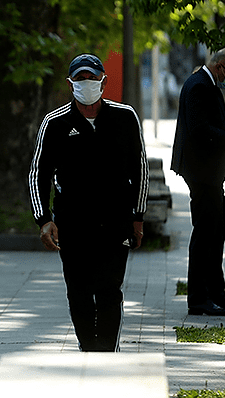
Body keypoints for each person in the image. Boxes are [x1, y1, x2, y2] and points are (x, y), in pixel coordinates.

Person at [28, 53, 149, 352]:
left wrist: (138, 216)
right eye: (80, 79)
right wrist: (44, 219)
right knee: (79, 292)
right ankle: (88, 348)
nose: (86, 84)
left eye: (92, 78)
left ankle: (106, 353)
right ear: (70, 84)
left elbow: (140, 168)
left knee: (110, 291)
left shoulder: (124, 117)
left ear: (103, 81)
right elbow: (38, 174)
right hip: (73, 223)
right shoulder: (54, 123)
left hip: (116, 221)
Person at [171, 47, 225, 316]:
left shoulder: (206, 83)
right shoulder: (199, 86)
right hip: (202, 174)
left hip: (209, 175)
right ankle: (199, 299)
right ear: (219, 67)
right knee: (205, 235)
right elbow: (200, 130)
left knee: (215, 234)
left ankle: (217, 295)